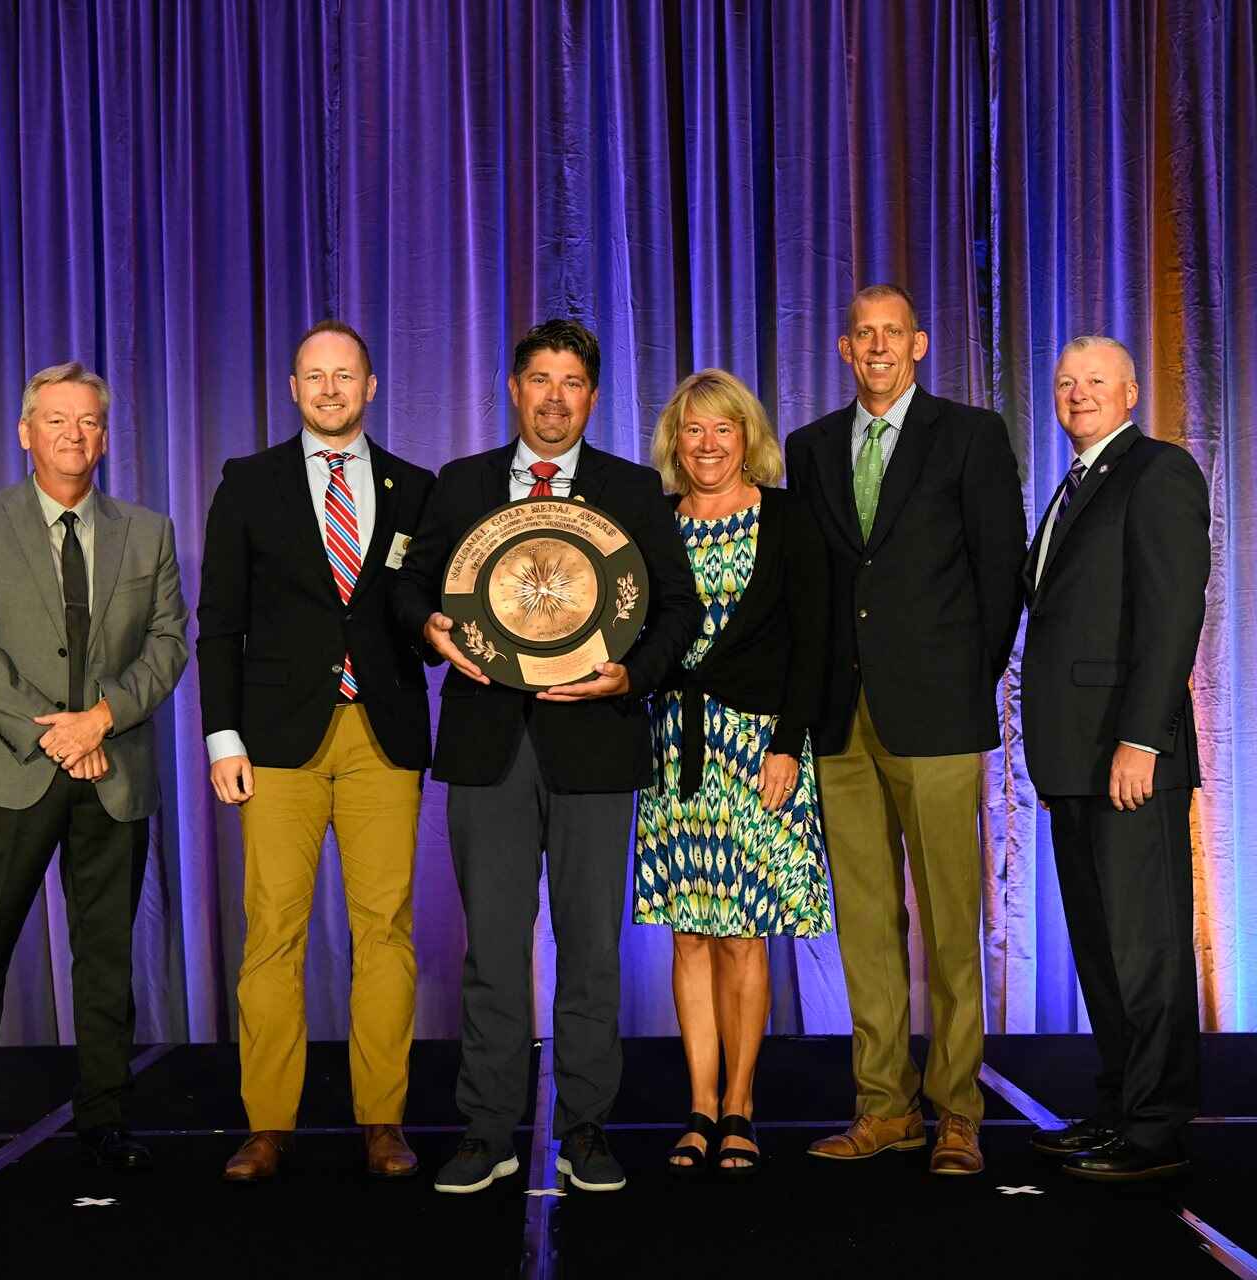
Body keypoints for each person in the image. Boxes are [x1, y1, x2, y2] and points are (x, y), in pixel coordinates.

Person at [393, 318, 702, 1194]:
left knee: (591, 949)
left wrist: (627, 678)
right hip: (488, 746)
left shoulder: (632, 490)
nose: (556, 398)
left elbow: (676, 609)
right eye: (540, 379)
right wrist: (428, 624)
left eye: (572, 383)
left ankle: (587, 1130)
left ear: (593, 398)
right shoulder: (460, 485)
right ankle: (485, 1130)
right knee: (490, 948)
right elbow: (410, 583)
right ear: (515, 388)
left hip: (596, 746)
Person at [0, 362, 190, 1186]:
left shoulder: (149, 530)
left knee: (106, 961)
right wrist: (59, 737)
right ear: (26, 431)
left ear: (106, 436)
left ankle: (105, 1124)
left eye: (90, 423)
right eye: (59, 421)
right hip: (10, 771)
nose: (76, 436)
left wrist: (103, 719)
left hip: (115, 771)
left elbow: (170, 642)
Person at [784, 285, 1026, 1174]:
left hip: (938, 718)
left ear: (919, 345)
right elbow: (813, 586)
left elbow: (1001, 575)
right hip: (841, 722)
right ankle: (883, 1106)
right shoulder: (810, 449)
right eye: (864, 336)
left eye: (894, 334)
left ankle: (957, 1111)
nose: (879, 347)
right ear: (845, 350)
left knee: (952, 921)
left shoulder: (969, 436)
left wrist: (969, 683)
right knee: (866, 923)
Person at [196, 320, 437, 1182]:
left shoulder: (418, 486)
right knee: (273, 936)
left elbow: (427, 605)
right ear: (293, 389)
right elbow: (219, 621)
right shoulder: (249, 483)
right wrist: (222, 737)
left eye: (346, 376)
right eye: (314, 376)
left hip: (384, 735)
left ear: (371, 387)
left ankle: (384, 1121)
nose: (330, 389)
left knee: (386, 934)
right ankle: (269, 1126)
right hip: (277, 744)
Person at [633, 369, 834, 1178]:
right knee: (689, 936)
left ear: (748, 437)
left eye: (723, 428)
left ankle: (743, 1107)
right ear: (673, 444)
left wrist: (788, 743)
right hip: (672, 749)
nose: (708, 444)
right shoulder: (654, 522)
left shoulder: (785, 519)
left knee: (743, 938)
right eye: (692, 430)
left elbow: (813, 640)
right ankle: (700, 1107)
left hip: (759, 753)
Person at [1019, 336, 1210, 1182]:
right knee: (1101, 949)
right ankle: (1117, 1107)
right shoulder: (1072, 485)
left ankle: (1156, 1125)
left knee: (1147, 948)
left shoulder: (1158, 472)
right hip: (1075, 762)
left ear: (1132, 392)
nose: (1078, 393)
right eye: (1066, 382)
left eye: (1095, 380)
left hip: (1131, 757)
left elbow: (1172, 618)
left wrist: (1142, 738)